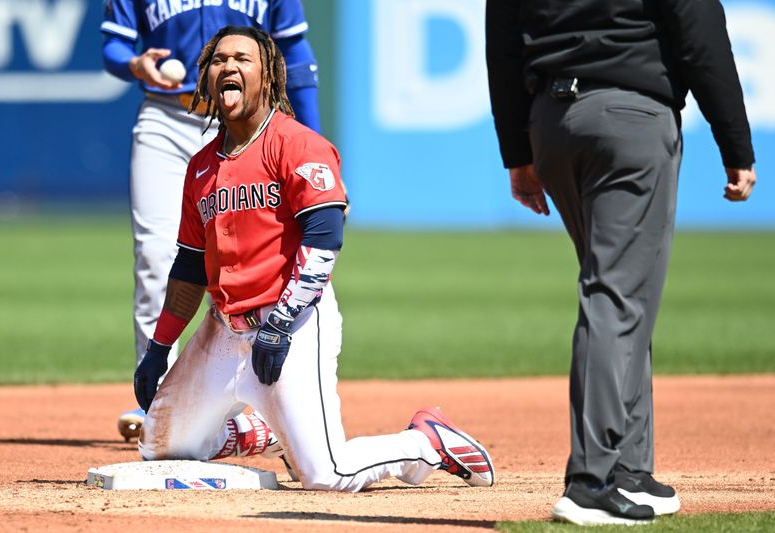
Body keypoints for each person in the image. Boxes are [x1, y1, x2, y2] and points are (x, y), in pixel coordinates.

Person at [132, 25, 495, 491]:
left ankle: (424, 444)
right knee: (159, 446)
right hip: (222, 329)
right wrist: (159, 348)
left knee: (327, 475)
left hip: (294, 322)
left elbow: (325, 239)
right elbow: (187, 269)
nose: (229, 67)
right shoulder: (201, 166)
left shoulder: (296, 143)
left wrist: (281, 323)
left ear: (269, 76)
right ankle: (259, 430)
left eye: (243, 59)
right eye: (219, 60)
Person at [486, 0, 756, 526]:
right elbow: (702, 38)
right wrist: (736, 145)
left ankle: (631, 470)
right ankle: (591, 481)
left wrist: (517, 154)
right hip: (631, 120)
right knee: (616, 294)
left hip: (554, 124)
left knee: (626, 291)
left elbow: (502, 48)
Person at [101, 0, 321, 441]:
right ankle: (160, 394)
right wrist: (135, 66)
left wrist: (313, 140)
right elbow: (113, 46)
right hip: (167, 115)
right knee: (156, 253)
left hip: (252, 124)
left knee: (257, 253)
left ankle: (263, 394)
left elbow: (295, 54)